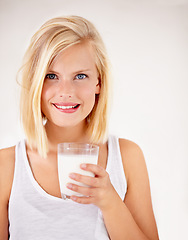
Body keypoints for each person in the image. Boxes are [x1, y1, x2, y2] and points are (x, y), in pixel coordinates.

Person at [0, 16, 159, 240]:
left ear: (99, 83)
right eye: (51, 76)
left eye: (80, 76)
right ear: (35, 82)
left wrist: (110, 201)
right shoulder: (6, 166)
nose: (66, 91)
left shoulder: (127, 157)